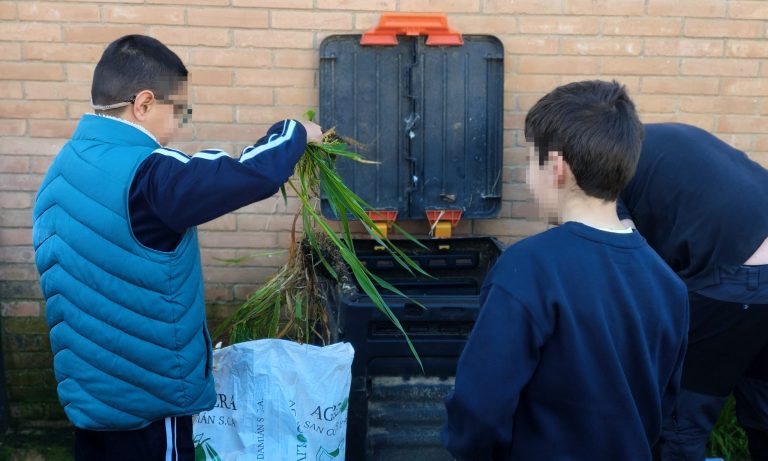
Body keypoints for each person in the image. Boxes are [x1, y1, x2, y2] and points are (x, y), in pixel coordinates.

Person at [31, 34, 322, 460]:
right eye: (179, 111)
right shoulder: (149, 174)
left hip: (90, 403)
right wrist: (294, 132)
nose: (179, 124)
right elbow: (247, 174)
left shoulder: (62, 168)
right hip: (147, 407)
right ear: (144, 104)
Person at [440, 80, 689, 460]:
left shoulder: (529, 268)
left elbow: (480, 409)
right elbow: (666, 411)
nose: (527, 178)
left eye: (530, 161)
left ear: (556, 167)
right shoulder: (669, 284)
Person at [617, 123, 768, 460]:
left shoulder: (605, 170)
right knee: (764, 408)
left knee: (678, 422)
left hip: (736, 277)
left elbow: (625, 262)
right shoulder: (667, 135)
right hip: (748, 267)